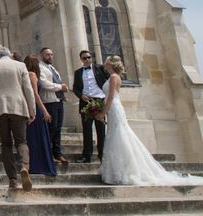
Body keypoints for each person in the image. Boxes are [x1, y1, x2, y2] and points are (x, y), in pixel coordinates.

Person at [98, 55, 203, 185]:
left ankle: (124, 170)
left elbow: (111, 97)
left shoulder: (114, 77)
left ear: (111, 64)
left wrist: (103, 112)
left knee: (119, 135)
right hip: (113, 108)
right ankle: (117, 170)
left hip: (114, 106)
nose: (104, 64)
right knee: (116, 135)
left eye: (106, 62)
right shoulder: (112, 77)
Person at [0, 46, 35, 191]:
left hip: (0, 108)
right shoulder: (20, 65)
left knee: (6, 144)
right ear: (10, 55)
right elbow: (28, 89)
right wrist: (32, 110)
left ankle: (12, 179)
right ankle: (24, 167)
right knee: (21, 141)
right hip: (18, 107)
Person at [72, 50, 108, 163]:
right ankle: (87, 156)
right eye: (84, 58)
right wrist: (81, 96)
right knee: (87, 130)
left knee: (100, 129)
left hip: (99, 101)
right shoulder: (78, 72)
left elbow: (109, 80)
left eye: (88, 57)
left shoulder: (99, 68)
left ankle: (102, 154)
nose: (87, 59)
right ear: (81, 60)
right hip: (85, 102)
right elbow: (75, 88)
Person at [23, 55, 57, 177]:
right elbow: (35, 95)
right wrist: (45, 111)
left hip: (28, 108)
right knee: (38, 137)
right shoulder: (32, 74)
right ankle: (39, 165)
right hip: (35, 108)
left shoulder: (25, 74)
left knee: (33, 137)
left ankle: (34, 164)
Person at [38, 47, 69, 164]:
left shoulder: (52, 68)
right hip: (49, 101)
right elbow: (44, 83)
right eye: (47, 54)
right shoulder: (40, 68)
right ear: (42, 55)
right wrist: (60, 87)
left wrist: (62, 88)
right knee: (51, 128)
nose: (50, 57)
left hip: (58, 100)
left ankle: (57, 153)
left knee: (58, 128)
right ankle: (48, 153)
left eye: (51, 54)